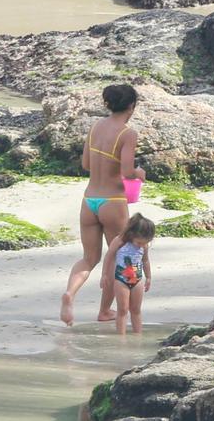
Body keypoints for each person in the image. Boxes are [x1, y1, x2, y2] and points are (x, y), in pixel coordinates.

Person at [60, 84, 146, 326]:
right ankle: (105, 310)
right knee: (117, 256)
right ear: (131, 106)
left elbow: (86, 164)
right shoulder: (127, 133)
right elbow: (127, 171)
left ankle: (70, 293)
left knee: (89, 258)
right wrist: (139, 173)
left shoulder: (95, 126)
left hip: (90, 200)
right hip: (113, 201)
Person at [101, 213, 155, 335]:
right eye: (139, 242)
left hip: (138, 279)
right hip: (121, 279)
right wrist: (104, 274)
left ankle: (138, 335)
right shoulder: (119, 241)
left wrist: (149, 277)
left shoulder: (144, 245)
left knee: (136, 310)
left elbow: (145, 260)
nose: (141, 245)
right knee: (123, 309)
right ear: (132, 234)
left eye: (144, 243)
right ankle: (121, 337)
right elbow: (108, 256)